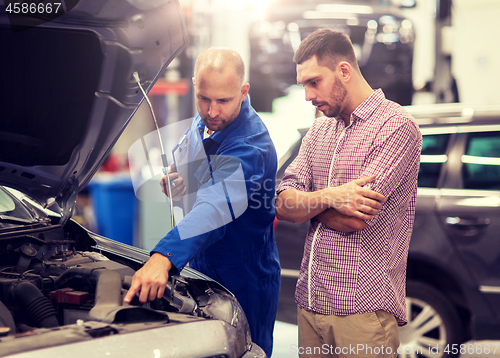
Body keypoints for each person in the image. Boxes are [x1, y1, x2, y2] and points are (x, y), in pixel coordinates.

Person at [124, 47, 281, 357]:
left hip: (244, 272)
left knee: (246, 352)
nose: (212, 111)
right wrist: (176, 184)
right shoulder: (203, 123)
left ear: (243, 91)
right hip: (199, 262)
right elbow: (189, 169)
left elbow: (215, 208)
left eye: (223, 101)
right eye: (204, 99)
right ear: (195, 85)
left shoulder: (250, 146)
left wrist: (163, 256)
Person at [275, 29, 422, 358]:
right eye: (303, 85)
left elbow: (353, 218)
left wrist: (310, 204)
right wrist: (332, 196)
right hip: (311, 302)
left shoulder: (394, 126)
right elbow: (283, 204)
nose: (307, 95)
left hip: (362, 311)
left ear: (344, 70)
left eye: (314, 82)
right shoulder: (320, 128)